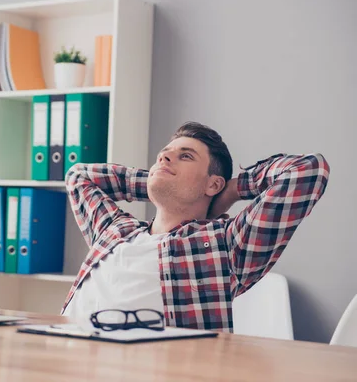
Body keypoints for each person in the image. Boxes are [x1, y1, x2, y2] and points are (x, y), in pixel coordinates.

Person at [61, 121, 330, 332]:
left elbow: (307, 171)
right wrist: (159, 181)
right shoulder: (115, 229)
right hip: (62, 357)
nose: (164, 159)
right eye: (162, 156)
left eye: (185, 156)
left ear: (213, 184)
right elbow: (78, 176)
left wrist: (234, 189)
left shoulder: (225, 245)